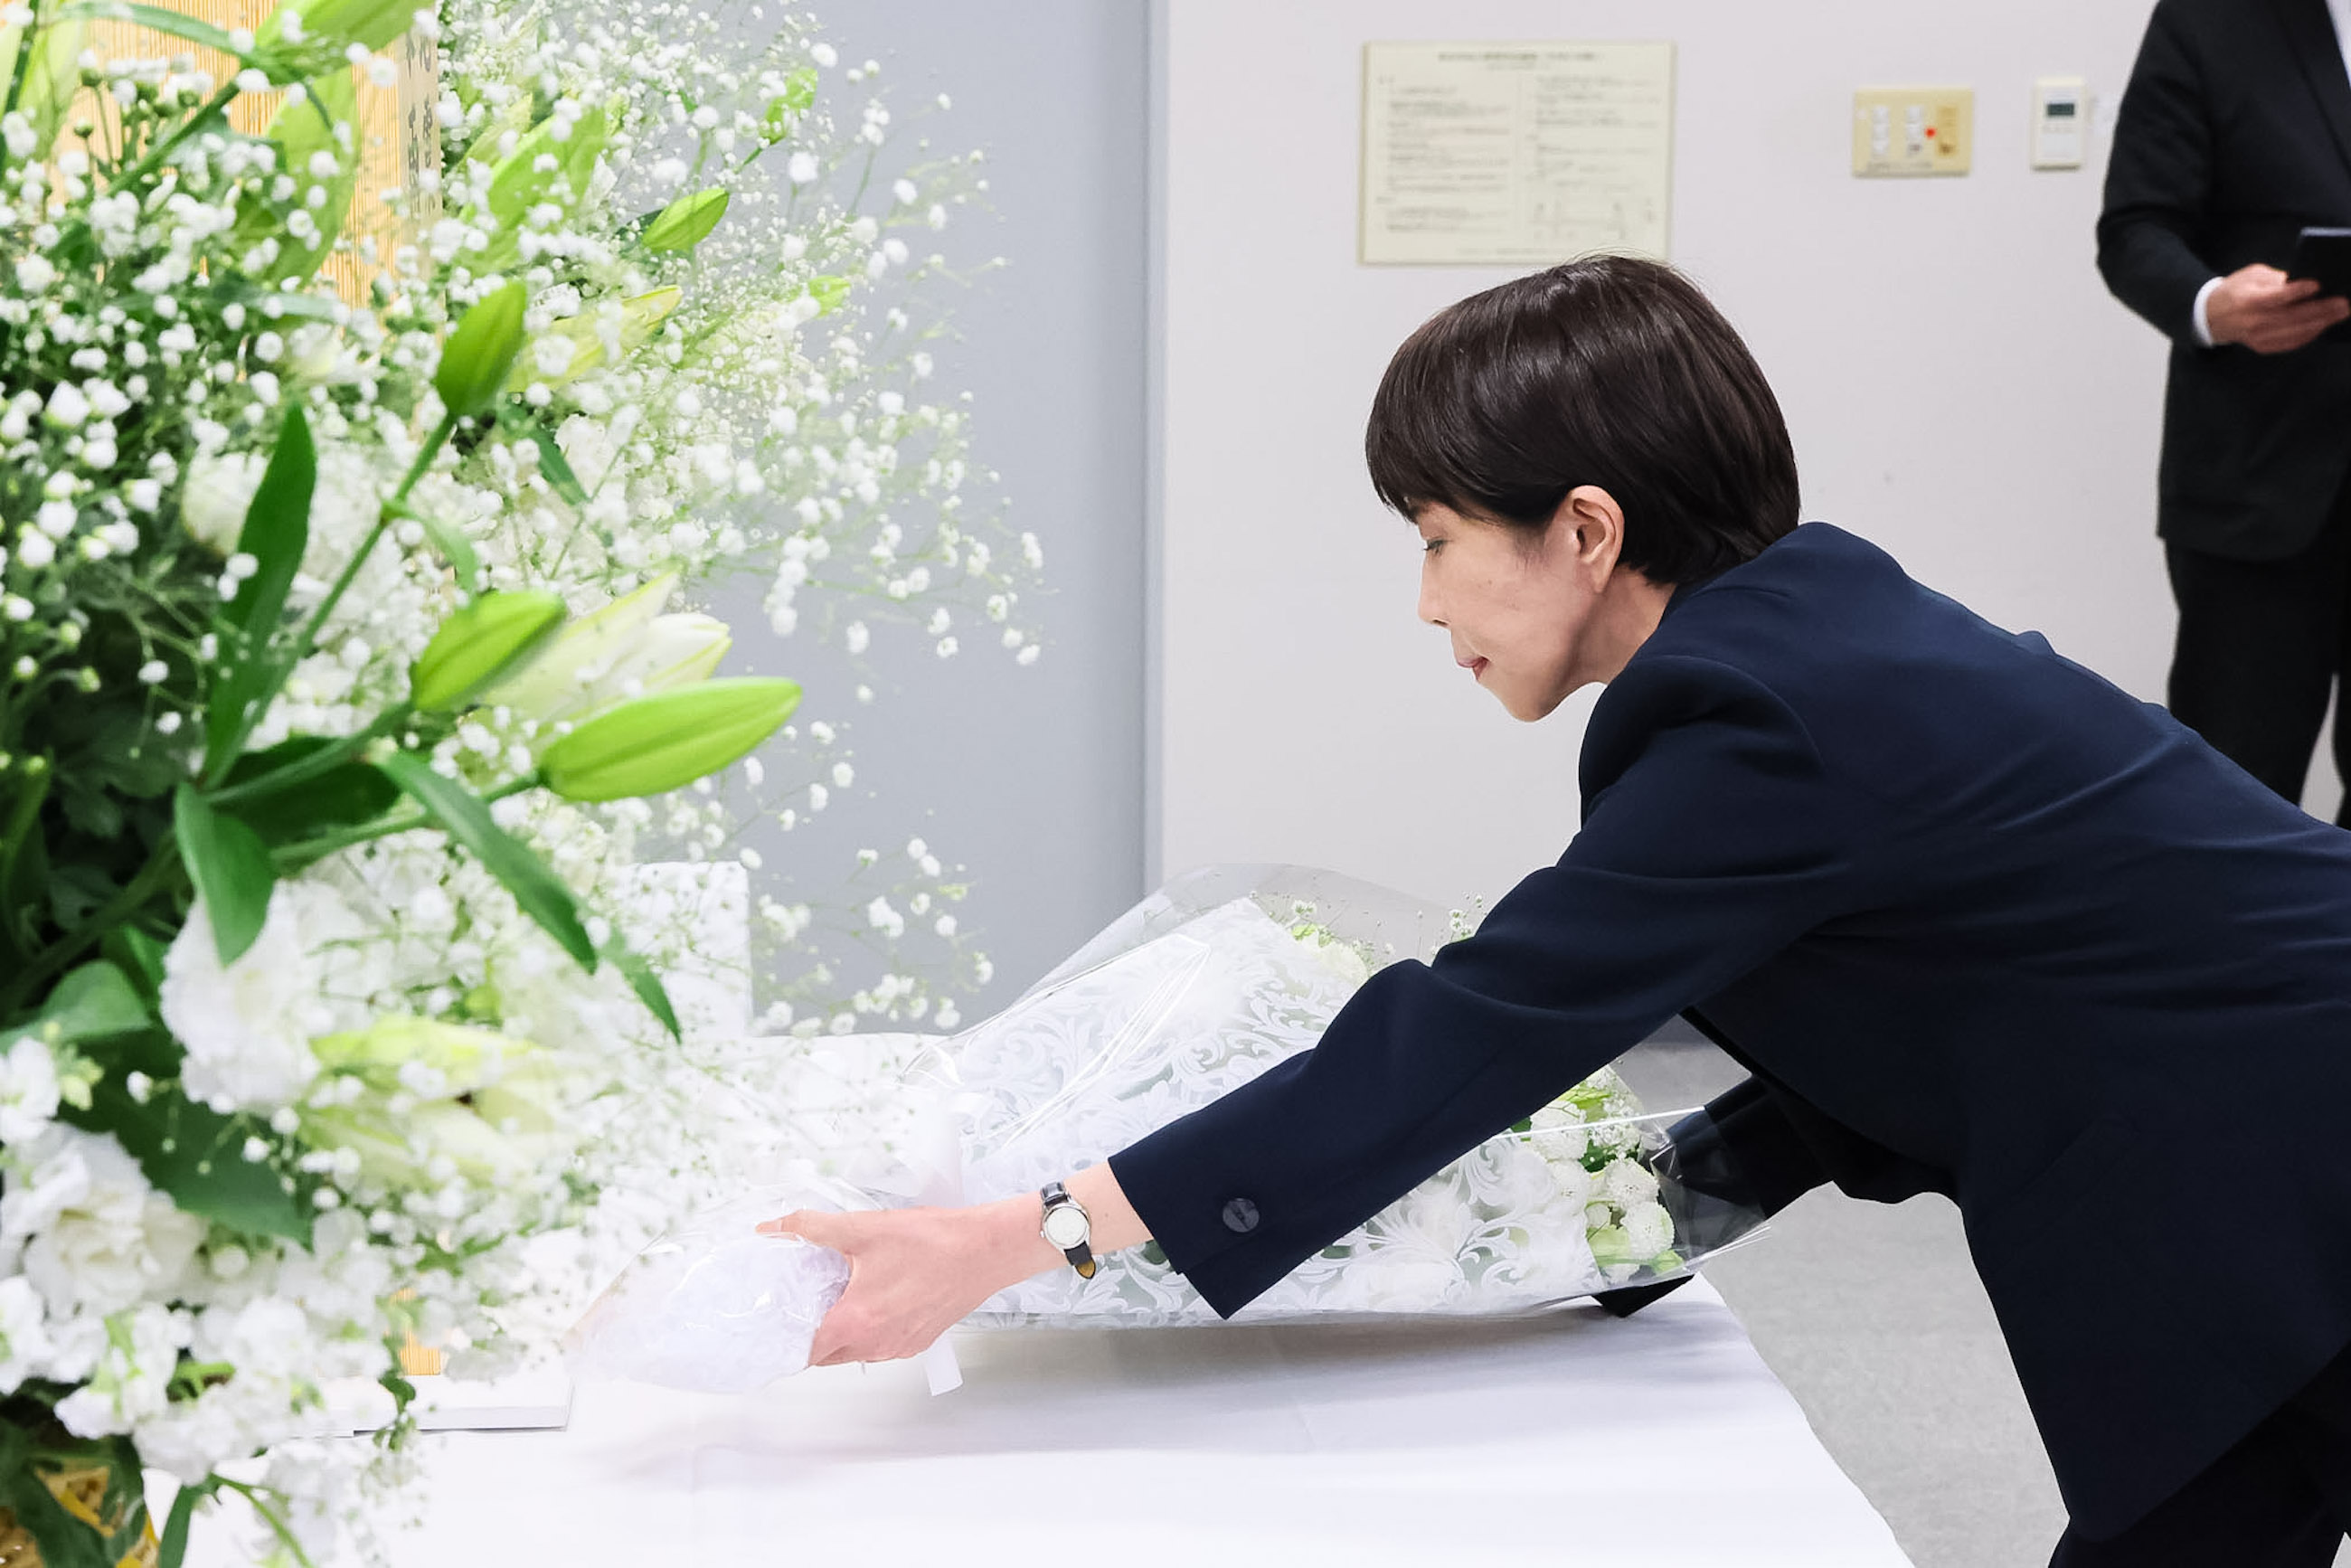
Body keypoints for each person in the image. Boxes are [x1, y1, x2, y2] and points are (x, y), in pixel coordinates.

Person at [764, 257, 2351, 1566]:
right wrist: (1637, 1194)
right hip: (2255, 1184)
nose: (1428, 600)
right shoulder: (1823, 634)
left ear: (1586, 530)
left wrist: (1022, 1231)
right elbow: (1940, 982)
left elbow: (1473, 1023)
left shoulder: (1758, 716)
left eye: (1441, 540)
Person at [2097, 0, 2351, 815]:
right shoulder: (2211, 19)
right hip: (2260, 491)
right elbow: (2136, 229)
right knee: (2233, 799)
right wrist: (2215, 305)